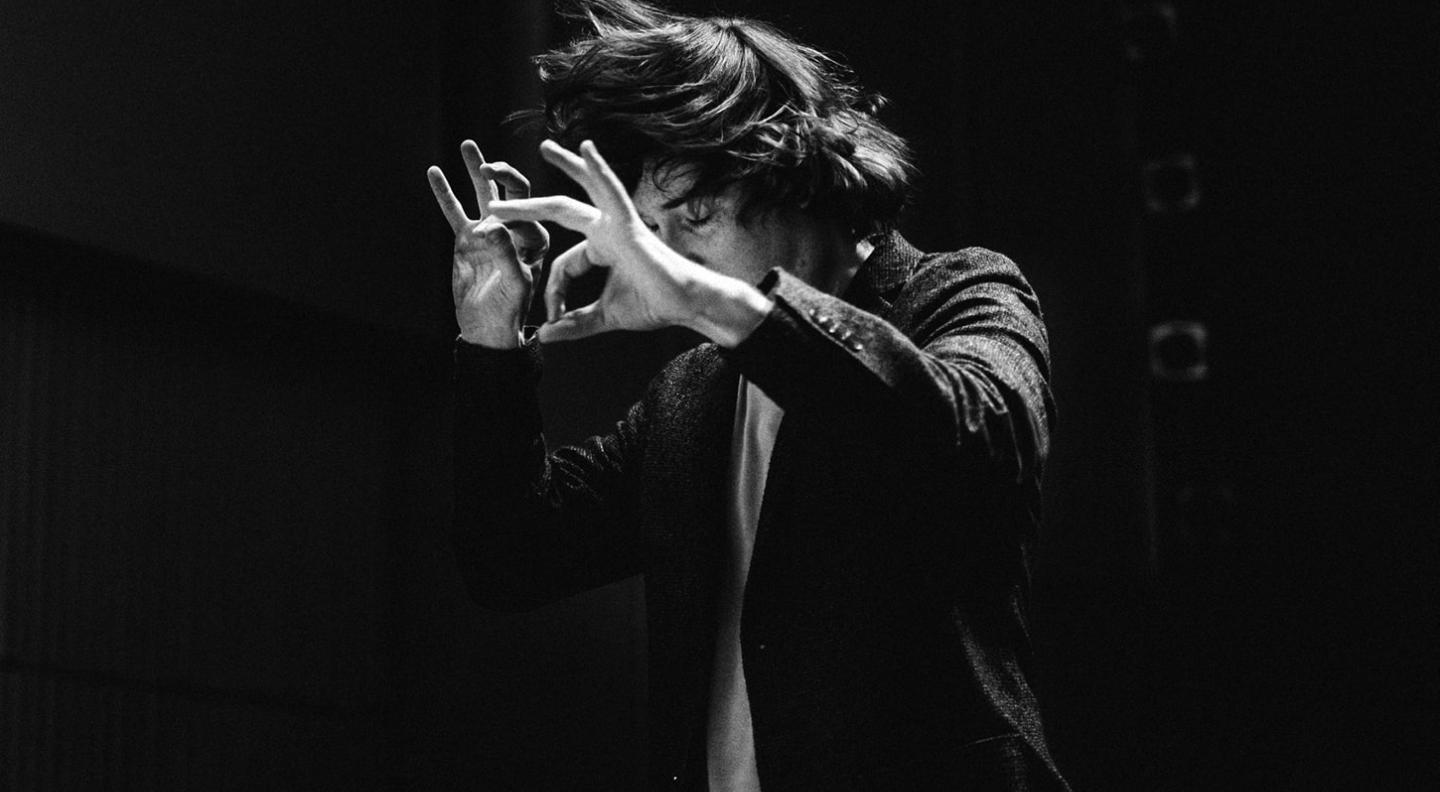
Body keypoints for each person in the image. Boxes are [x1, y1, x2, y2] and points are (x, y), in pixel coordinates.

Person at [425, 1, 1070, 788]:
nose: (669, 260)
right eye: (654, 234)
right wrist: (491, 334)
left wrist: (705, 302)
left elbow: (970, 443)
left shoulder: (961, 291)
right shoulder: (692, 394)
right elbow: (510, 560)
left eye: (695, 214)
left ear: (789, 169)